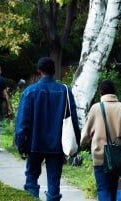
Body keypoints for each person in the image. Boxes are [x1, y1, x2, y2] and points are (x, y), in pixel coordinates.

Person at [15, 57, 80, 201]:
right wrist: (77, 143)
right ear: (54, 71)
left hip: (34, 143)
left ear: (39, 71)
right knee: (54, 183)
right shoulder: (65, 91)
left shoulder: (30, 92)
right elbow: (73, 119)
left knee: (31, 177)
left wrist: (21, 145)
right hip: (57, 144)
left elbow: (22, 123)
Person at [80, 80, 121, 201]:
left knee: (103, 189)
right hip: (117, 159)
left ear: (101, 93)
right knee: (114, 190)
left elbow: (86, 133)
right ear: (114, 92)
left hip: (100, 158)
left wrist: (80, 145)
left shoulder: (95, 108)